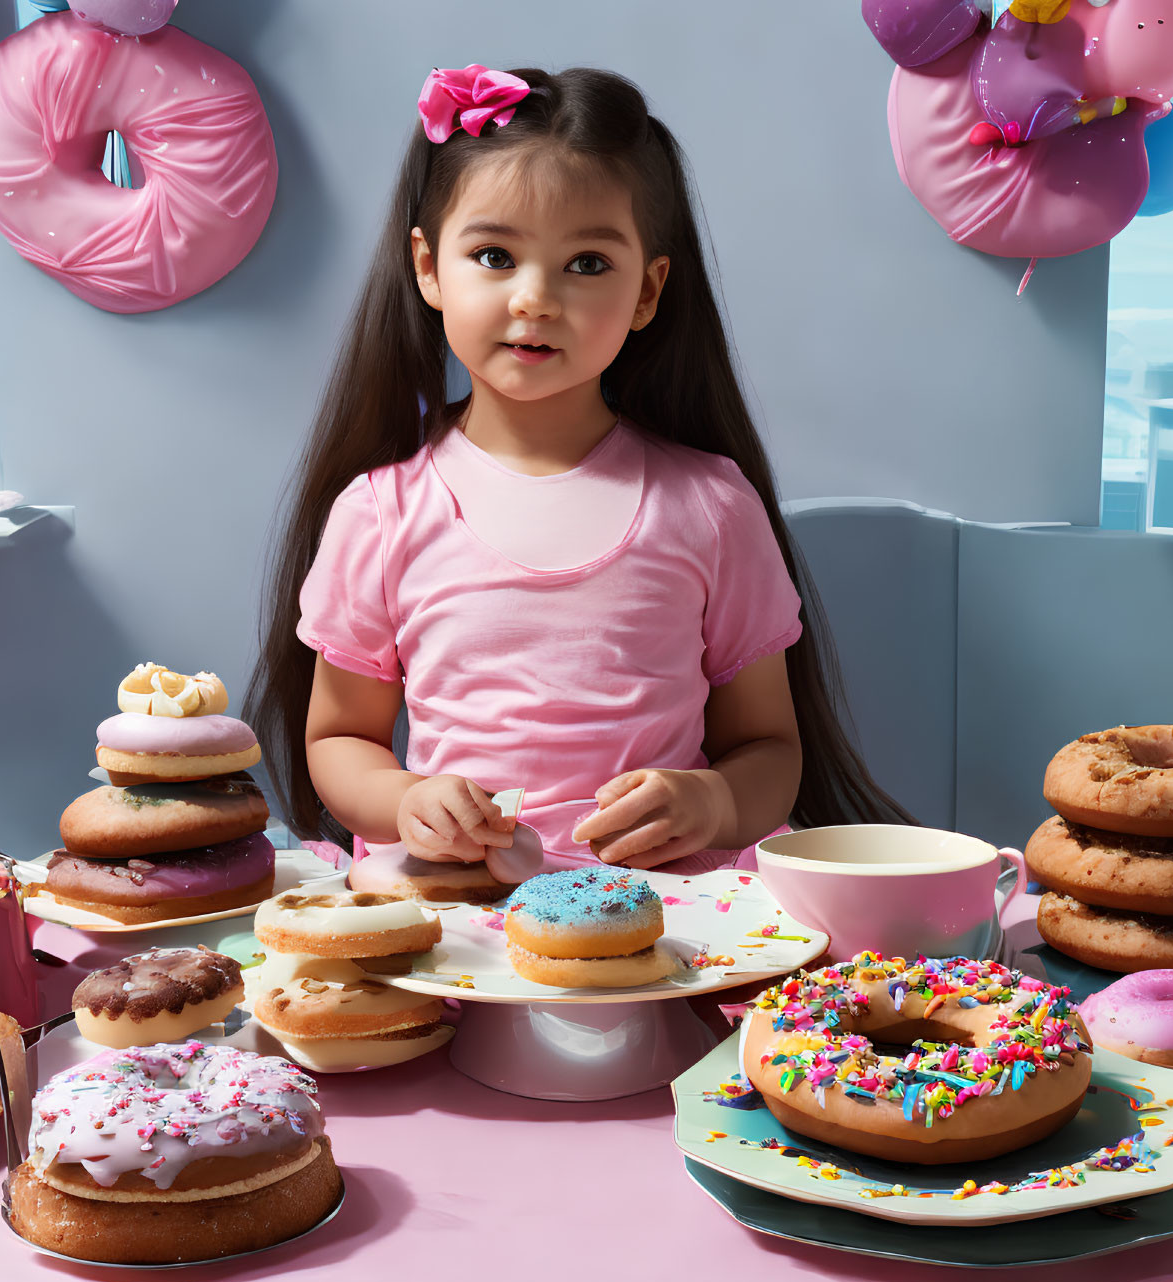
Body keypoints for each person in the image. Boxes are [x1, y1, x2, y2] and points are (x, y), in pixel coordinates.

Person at [249, 63, 910, 884]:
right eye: (493, 254)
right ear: (427, 267)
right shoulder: (382, 511)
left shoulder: (708, 505)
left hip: (666, 935)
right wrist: (406, 801)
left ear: (648, 289)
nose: (536, 298)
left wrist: (708, 801)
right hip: (452, 927)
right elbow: (338, 738)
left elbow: (768, 749)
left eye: (587, 264)